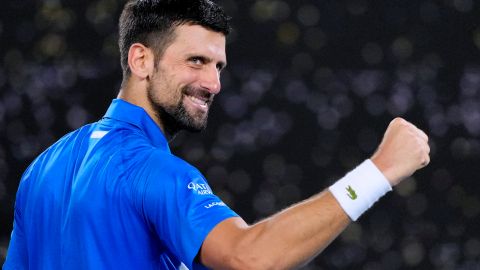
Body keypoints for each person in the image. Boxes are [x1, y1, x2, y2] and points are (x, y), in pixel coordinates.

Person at [3, 0, 431, 269]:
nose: (213, 84)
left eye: (218, 66)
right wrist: (379, 172)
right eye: (195, 61)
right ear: (140, 60)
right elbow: (250, 257)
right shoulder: (151, 169)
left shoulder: (42, 169)